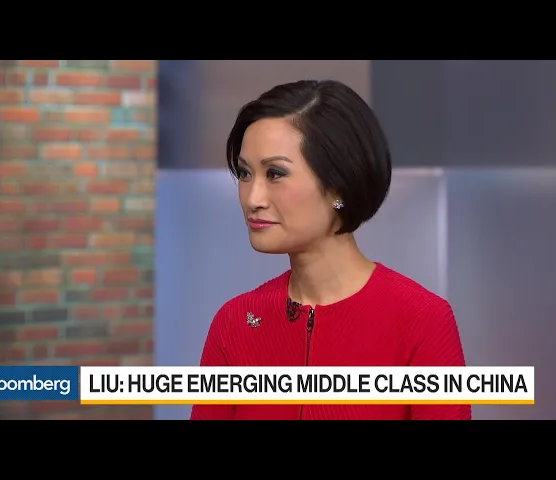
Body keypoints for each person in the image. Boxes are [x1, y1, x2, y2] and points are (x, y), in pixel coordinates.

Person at [190, 80, 470, 420]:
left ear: (339, 186)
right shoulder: (235, 322)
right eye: (245, 173)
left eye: (275, 173)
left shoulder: (421, 320)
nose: (253, 198)